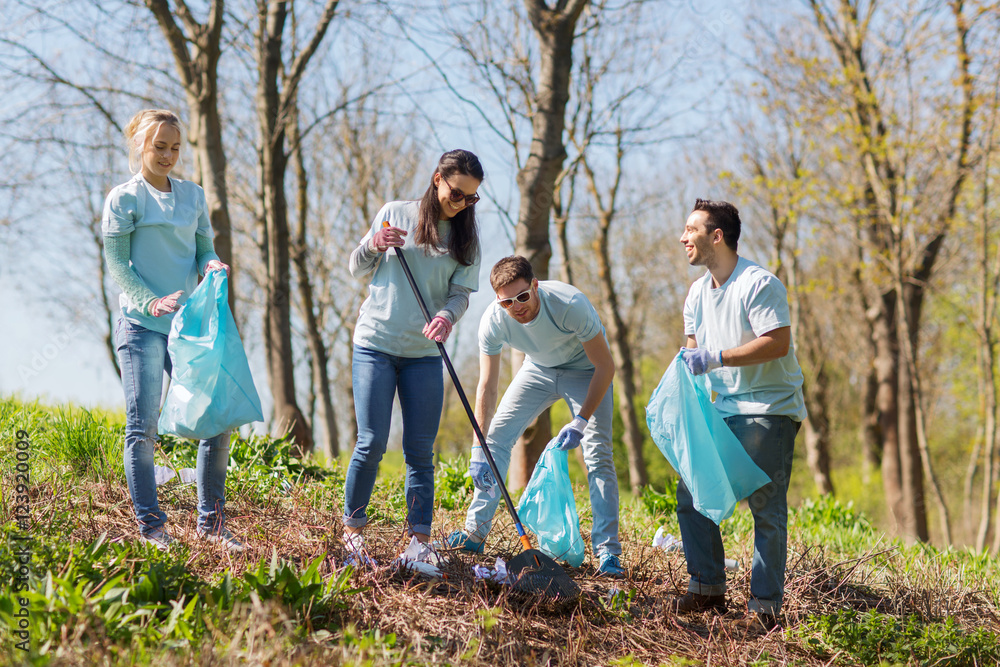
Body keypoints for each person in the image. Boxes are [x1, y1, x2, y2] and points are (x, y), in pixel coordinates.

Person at [102, 109, 242, 552]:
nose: (167, 154)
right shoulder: (124, 199)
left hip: (187, 327)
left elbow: (203, 249)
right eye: (159, 146)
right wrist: (150, 301)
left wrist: (212, 264)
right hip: (142, 325)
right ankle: (152, 528)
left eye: (175, 147)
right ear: (139, 146)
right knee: (143, 427)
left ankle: (212, 524)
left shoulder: (193, 196)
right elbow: (119, 267)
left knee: (216, 421)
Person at [671, 198, 806, 632]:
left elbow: (777, 343)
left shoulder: (758, 283)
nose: (682, 237)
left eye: (691, 230)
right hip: (722, 408)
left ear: (717, 236)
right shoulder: (696, 293)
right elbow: (694, 352)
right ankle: (707, 587)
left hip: (768, 406)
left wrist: (718, 357)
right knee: (692, 494)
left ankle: (765, 607)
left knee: (765, 507)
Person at [445, 255, 626, 578]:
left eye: (523, 296)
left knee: (598, 454)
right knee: (495, 440)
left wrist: (581, 421)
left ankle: (607, 553)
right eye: (507, 302)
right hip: (538, 370)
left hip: (585, 371)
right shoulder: (494, 321)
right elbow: (487, 386)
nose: (516, 306)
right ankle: (474, 534)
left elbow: (605, 366)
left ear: (535, 286)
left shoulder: (570, 304)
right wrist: (478, 446)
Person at [344, 149, 484, 562]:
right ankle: (353, 529)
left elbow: (461, 295)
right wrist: (374, 243)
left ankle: (419, 541)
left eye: (470, 199)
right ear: (438, 178)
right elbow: (357, 268)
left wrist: (446, 316)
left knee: (420, 450)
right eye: (456, 193)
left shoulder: (467, 238)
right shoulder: (395, 213)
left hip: (424, 354)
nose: (461, 204)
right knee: (371, 442)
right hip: (375, 345)